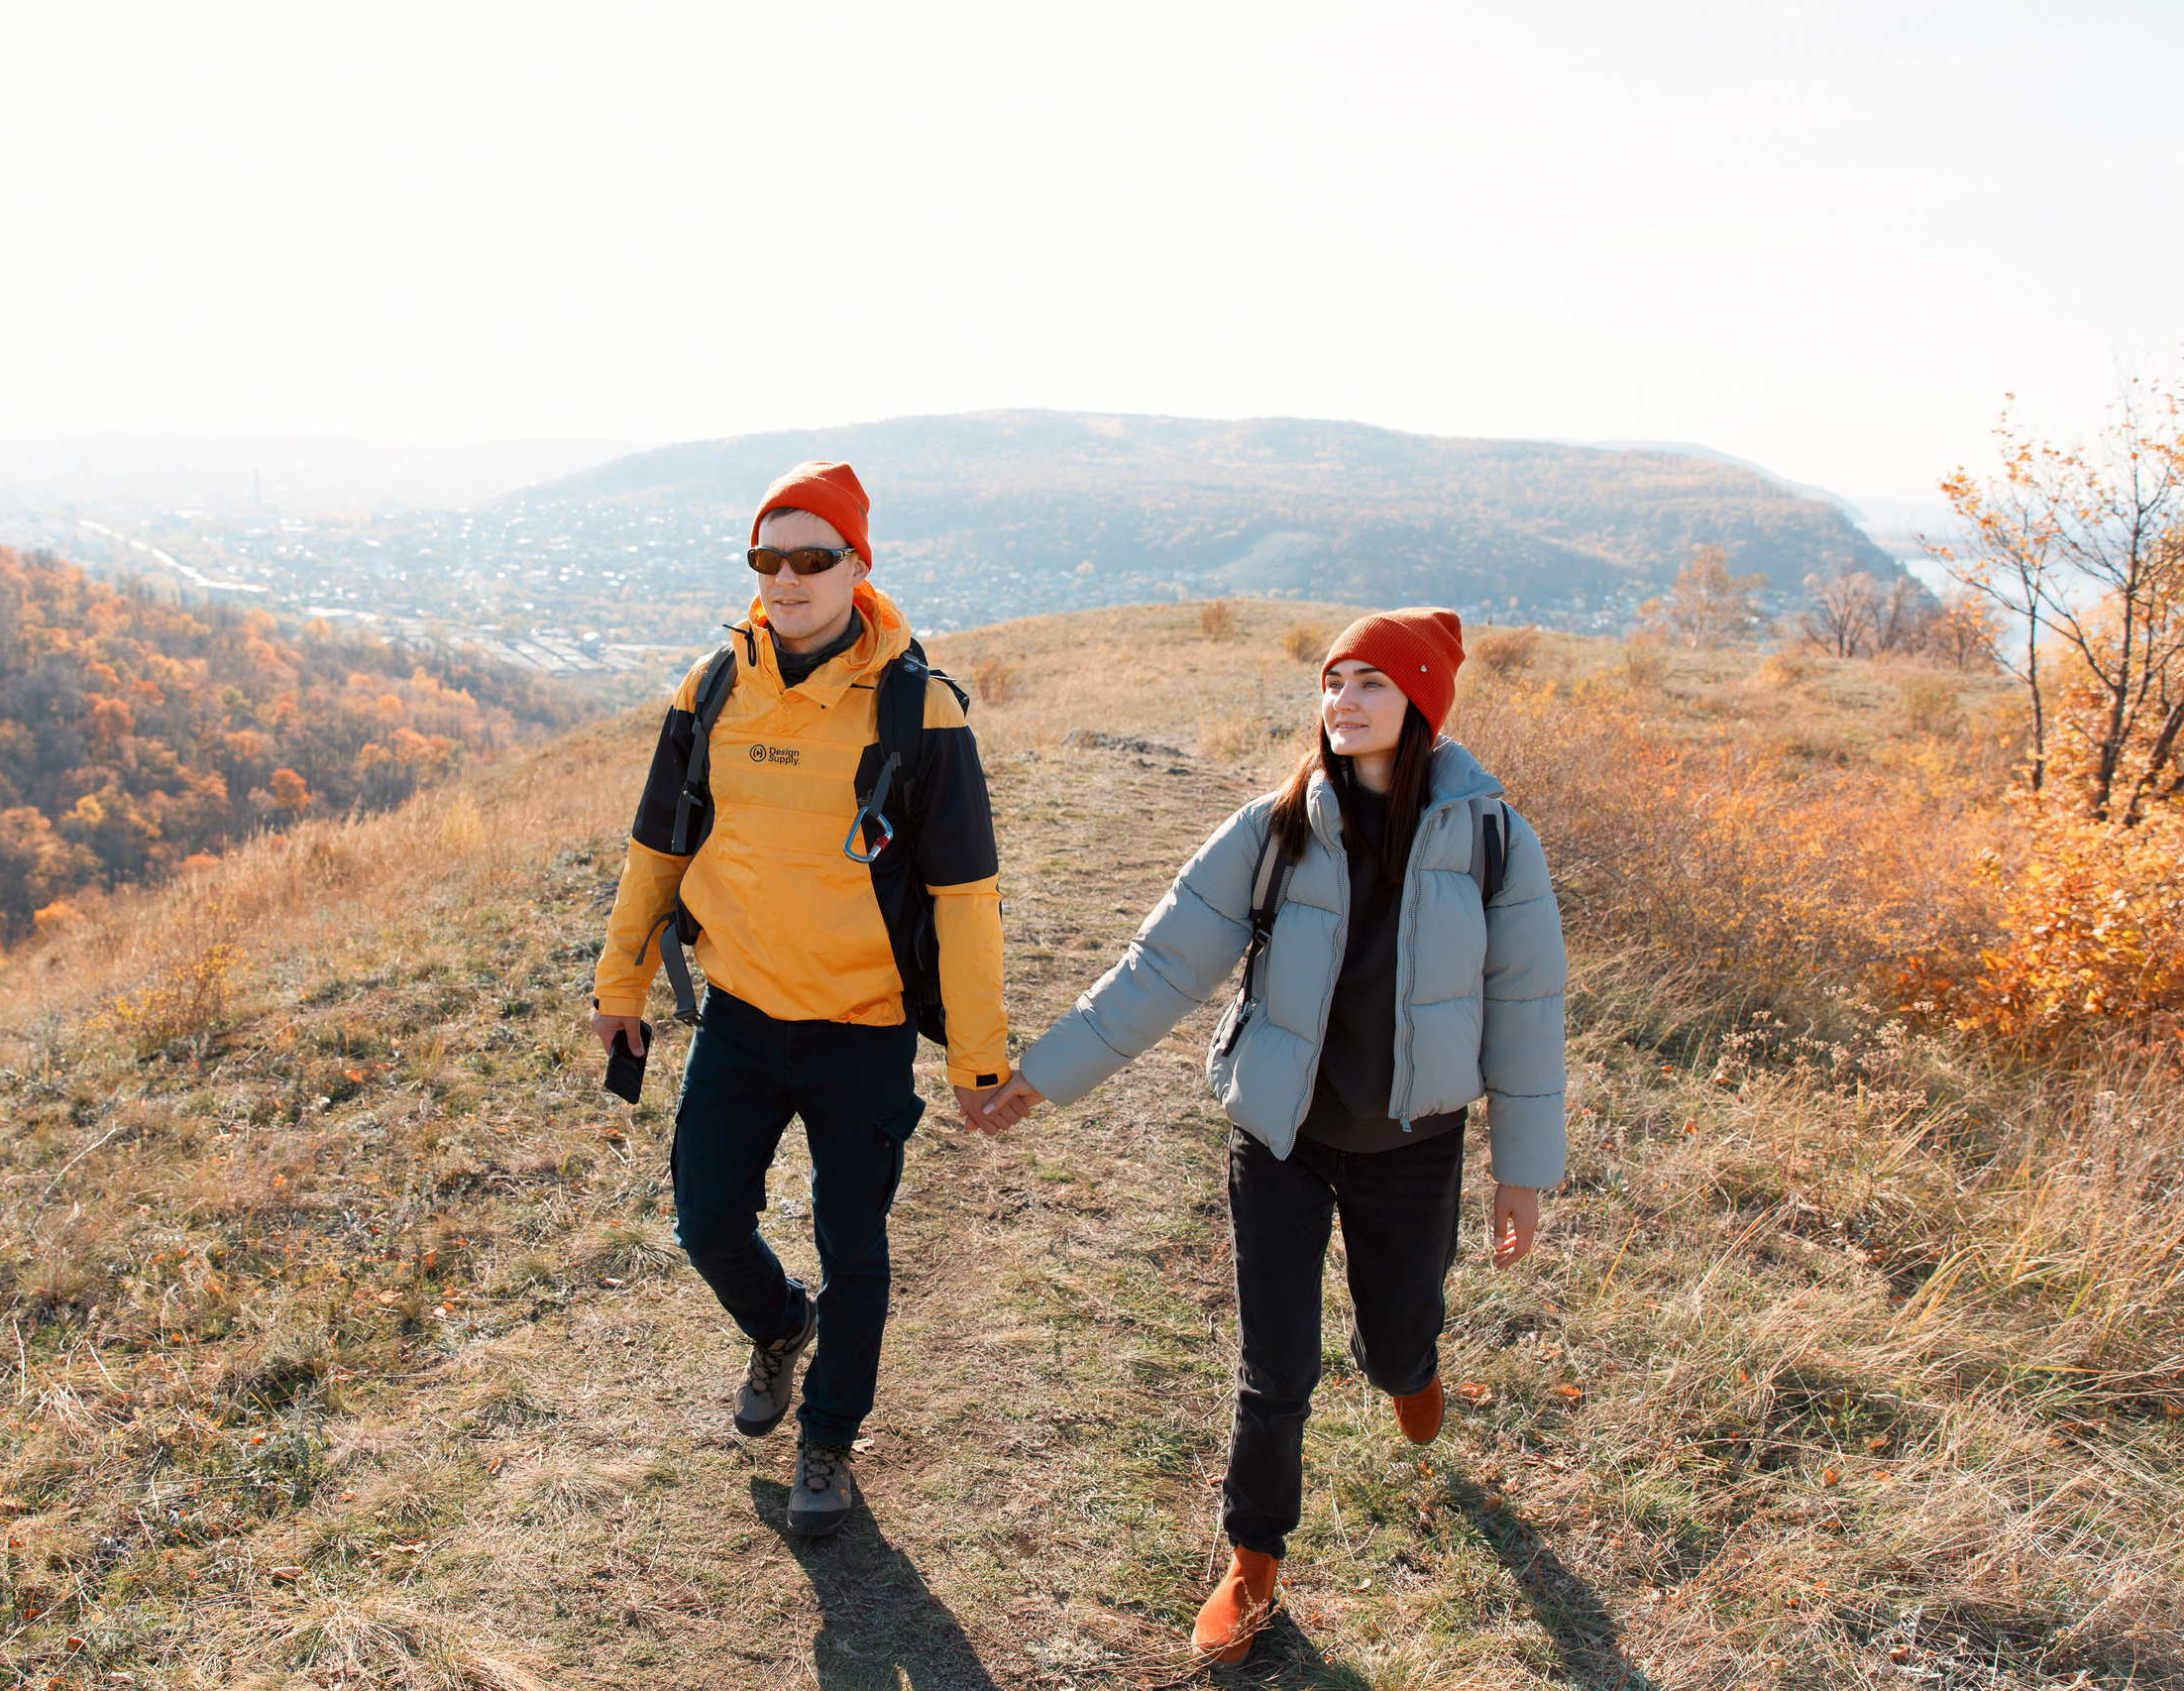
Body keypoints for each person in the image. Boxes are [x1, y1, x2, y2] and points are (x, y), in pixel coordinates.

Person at [981, 609, 1567, 1663]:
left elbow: (1526, 1003)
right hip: (1280, 1138)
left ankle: (1408, 1366)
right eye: (1332, 680)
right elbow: (1162, 963)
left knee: (1394, 1335)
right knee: (1275, 1363)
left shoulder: (1490, 835)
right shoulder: (1276, 824)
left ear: (1422, 701)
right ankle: (1254, 1564)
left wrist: (1519, 1172)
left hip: (1414, 1142)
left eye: (1369, 683)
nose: (1341, 699)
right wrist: (1043, 1072)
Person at [589, 460, 1012, 1538]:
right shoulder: (711, 687)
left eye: (811, 556)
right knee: (706, 1219)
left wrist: (977, 1057)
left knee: (854, 1244)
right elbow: (655, 847)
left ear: (858, 566)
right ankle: (781, 1327)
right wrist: (620, 982)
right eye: (766, 556)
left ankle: (828, 1435)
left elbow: (964, 898)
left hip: (861, 1032)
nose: (785, 577)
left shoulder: (923, 711)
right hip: (737, 1017)